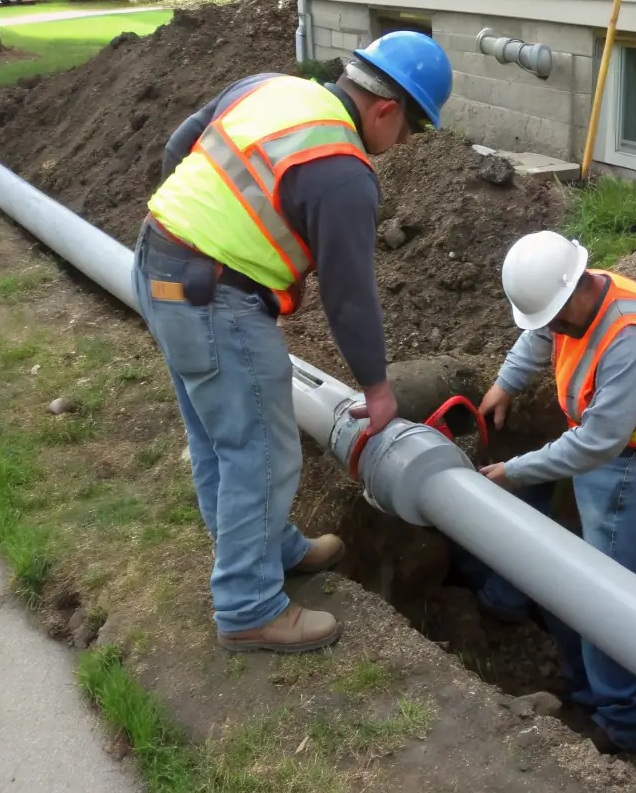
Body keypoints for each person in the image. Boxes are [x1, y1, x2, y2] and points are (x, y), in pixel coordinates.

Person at [131, 32, 453, 654]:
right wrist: (378, 389)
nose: (404, 144)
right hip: (213, 294)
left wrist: (193, 229)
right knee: (263, 452)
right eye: (410, 128)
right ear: (386, 110)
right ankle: (248, 605)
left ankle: (267, 548)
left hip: (160, 264)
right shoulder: (343, 171)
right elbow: (349, 294)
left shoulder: (270, 88)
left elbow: (179, 146)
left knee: (218, 435)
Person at [474, 230, 636, 754]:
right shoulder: (579, 301)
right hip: (618, 448)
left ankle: (622, 727)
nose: (553, 328)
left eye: (555, 316)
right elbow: (542, 334)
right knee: (571, 567)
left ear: (574, 291)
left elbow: (596, 443)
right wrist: (507, 383)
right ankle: (572, 672)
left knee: (599, 596)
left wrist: (517, 469)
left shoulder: (629, 340)